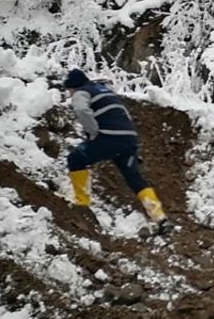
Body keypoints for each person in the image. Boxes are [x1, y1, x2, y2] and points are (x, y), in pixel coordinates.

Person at [61, 69, 167, 228]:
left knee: (75, 159)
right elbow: (124, 114)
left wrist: (93, 132)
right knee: (134, 179)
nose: (69, 93)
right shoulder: (104, 91)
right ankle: (160, 218)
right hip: (128, 138)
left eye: (68, 89)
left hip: (108, 138)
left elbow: (82, 110)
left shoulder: (81, 92)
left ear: (73, 86)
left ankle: (82, 204)